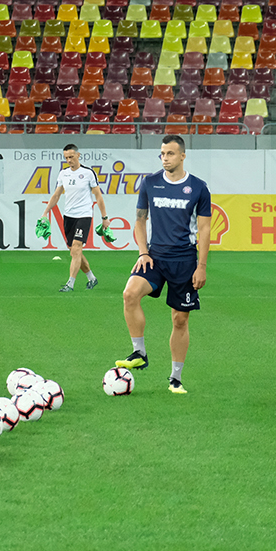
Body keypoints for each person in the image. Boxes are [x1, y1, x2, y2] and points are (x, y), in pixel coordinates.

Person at [115, 135, 213, 393]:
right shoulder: (150, 183)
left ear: (182, 156)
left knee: (180, 320)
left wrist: (201, 266)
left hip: (185, 261)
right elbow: (140, 220)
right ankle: (139, 352)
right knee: (129, 294)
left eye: (170, 153)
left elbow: (204, 229)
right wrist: (142, 252)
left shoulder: (199, 187)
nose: (165, 158)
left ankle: (175, 378)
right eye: (162, 154)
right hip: (155, 257)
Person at [44, 143, 107, 293]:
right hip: (69, 216)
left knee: (77, 248)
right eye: (66, 157)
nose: (69, 160)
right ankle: (92, 278)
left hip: (84, 215)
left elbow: (98, 196)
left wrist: (105, 217)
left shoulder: (88, 173)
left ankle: (70, 284)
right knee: (74, 252)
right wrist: (45, 212)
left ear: (78, 155)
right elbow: (57, 195)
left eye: (71, 157)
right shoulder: (63, 173)